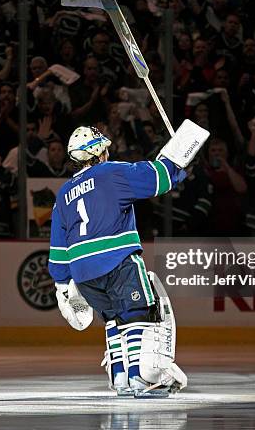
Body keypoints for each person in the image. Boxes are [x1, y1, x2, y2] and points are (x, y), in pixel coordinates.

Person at [48, 122, 209, 397]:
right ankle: (139, 379)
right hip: (117, 259)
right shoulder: (111, 173)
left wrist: (63, 284)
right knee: (137, 315)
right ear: (99, 152)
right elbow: (159, 178)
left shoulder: (63, 194)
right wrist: (181, 157)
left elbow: (58, 249)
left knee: (112, 318)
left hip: (83, 272)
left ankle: (120, 377)